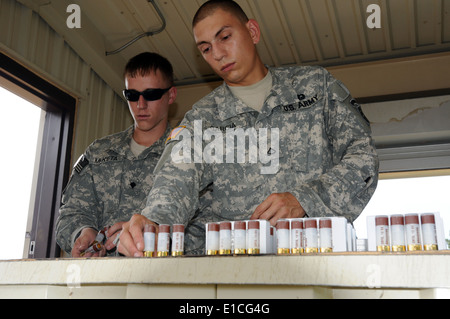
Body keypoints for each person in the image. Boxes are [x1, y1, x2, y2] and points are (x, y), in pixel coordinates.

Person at [118, 0, 379, 257]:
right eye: (206, 49)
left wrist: (306, 199)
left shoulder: (316, 87)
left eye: (225, 37)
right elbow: (174, 182)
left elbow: (363, 157)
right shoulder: (203, 118)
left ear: (252, 32)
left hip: (320, 259)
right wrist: (151, 223)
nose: (217, 54)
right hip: (239, 274)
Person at [56, 52, 210, 257]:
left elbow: (206, 228)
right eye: (132, 95)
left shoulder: (190, 155)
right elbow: (70, 212)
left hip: (163, 280)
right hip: (100, 281)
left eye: (152, 94)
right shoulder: (98, 152)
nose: (141, 105)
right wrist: (84, 232)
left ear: (171, 95)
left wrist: (145, 235)